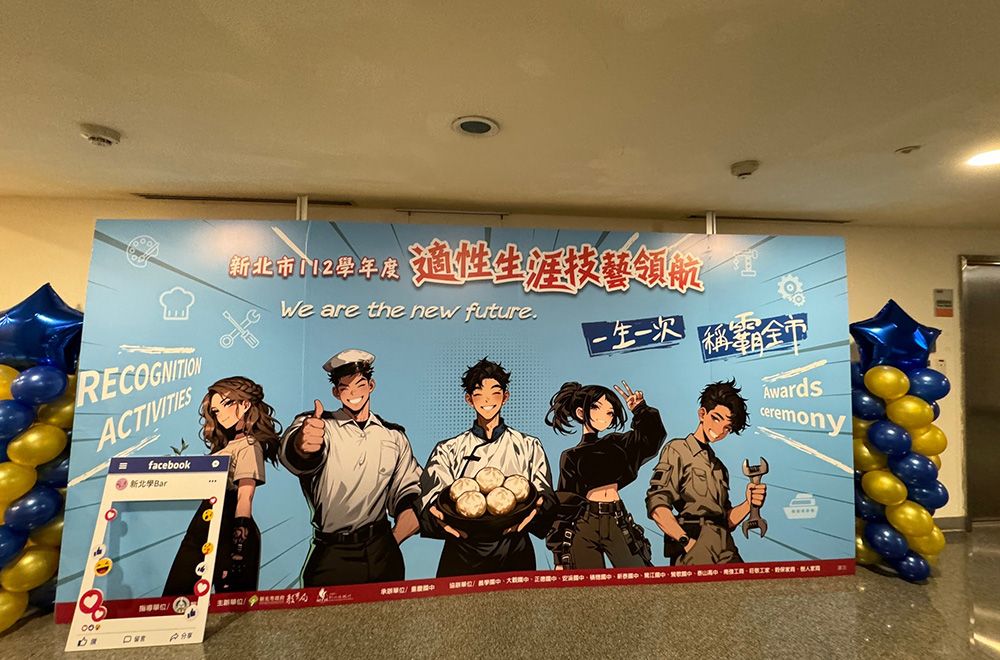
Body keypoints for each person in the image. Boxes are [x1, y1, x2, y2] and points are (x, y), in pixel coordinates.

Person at [280, 349, 422, 587]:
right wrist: (303, 445)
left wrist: (392, 542)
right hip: (331, 553)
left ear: (371, 386)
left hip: (381, 550)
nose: (353, 394)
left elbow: (409, 493)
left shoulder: (393, 436)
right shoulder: (319, 425)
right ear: (336, 392)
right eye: (345, 388)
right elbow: (295, 455)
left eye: (360, 385)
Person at [419, 358, 555, 577]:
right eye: (479, 394)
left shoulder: (528, 445)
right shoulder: (448, 449)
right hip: (462, 549)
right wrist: (436, 517)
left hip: (514, 547)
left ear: (505, 397)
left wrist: (538, 510)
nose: (487, 400)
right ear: (469, 399)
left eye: (495, 392)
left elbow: (544, 495)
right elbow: (432, 499)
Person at [163, 376, 280, 596]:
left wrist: (239, 542)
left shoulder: (248, 445)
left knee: (229, 601)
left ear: (245, 404)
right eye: (215, 411)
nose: (220, 414)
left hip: (227, 525)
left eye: (226, 404)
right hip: (202, 524)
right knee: (176, 594)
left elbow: (245, 495)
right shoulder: (224, 448)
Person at [544, 380, 665, 569]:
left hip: (617, 518)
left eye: (610, 412)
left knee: (638, 574)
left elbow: (651, 440)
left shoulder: (617, 443)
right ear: (581, 413)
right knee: (587, 582)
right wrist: (559, 557)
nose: (605, 416)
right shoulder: (571, 456)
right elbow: (566, 502)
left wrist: (640, 409)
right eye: (596, 408)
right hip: (584, 522)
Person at [646, 379, 767, 565]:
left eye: (727, 428)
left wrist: (748, 504)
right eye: (717, 419)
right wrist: (686, 542)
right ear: (702, 414)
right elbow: (657, 504)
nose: (720, 431)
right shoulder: (677, 450)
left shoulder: (719, 467)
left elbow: (726, 521)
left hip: (726, 546)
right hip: (695, 546)